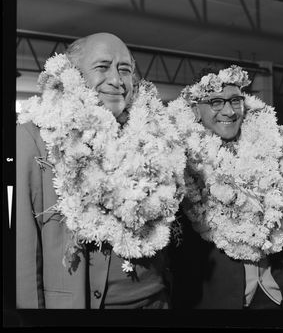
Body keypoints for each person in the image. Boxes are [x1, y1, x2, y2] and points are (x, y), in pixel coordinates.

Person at [16, 33, 172, 309]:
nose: (116, 80)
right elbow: (24, 250)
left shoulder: (151, 135)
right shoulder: (36, 135)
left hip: (156, 302)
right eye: (102, 67)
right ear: (74, 74)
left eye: (124, 69)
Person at [169, 66, 283, 309]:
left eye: (235, 100)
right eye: (216, 102)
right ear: (195, 109)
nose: (228, 111)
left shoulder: (271, 146)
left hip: (278, 290)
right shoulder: (179, 156)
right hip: (217, 293)